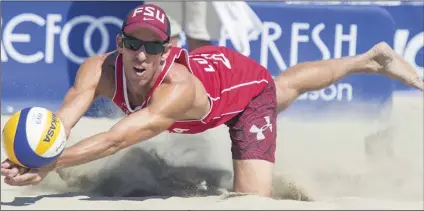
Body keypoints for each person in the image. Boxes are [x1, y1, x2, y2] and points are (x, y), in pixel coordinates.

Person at [1, 4, 422, 197]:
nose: (141, 55)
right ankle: (371, 59)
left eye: (152, 47)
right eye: (133, 44)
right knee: (287, 86)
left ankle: (367, 62)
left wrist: (50, 164)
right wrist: (36, 154)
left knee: (252, 194)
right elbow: (63, 119)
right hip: (209, 70)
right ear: (119, 42)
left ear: (168, 49)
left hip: (241, 93)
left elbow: (117, 138)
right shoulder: (97, 68)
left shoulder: (175, 90)